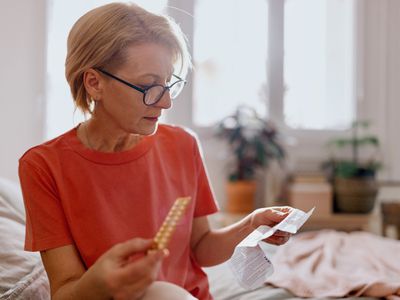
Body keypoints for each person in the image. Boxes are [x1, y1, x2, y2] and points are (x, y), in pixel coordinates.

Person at [18, 2, 292, 300]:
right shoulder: (44, 166)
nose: (165, 103)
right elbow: (65, 292)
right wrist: (101, 282)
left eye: (168, 84)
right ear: (94, 83)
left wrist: (251, 225)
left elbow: (201, 248)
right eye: (149, 86)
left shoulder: (182, 145)